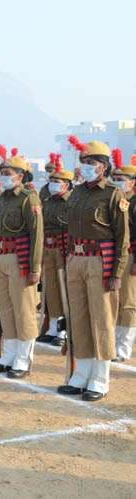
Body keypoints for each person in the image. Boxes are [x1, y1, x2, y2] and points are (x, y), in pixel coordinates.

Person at [58, 136, 129, 401]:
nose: (86, 166)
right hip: (76, 258)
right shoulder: (77, 192)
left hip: (100, 260)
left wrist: (116, 273)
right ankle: (81, 374)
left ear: (104, 166)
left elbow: (121, 238)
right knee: (79, 318)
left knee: (101, 319)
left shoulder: (113, 194)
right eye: (84, 162)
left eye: (92, 162)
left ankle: (100, 378)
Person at [0, 147, 43, 379]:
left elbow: (36, 235)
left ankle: (23, 358)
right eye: (3, 172)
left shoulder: (29, 199)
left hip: (19, 259)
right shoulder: (1, 198)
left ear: (22, 175)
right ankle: (9, 353)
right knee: (5, 308)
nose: (5, 175)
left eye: (9, 172)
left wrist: (35, 267)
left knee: (23, 309)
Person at [38, 155, 72, 346]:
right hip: (49, 248)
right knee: (50, 288)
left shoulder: (71, 202)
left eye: (57, 181)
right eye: (51, 181)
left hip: (63, 248)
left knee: (64, 289)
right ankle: (53, 327)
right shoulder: (48, 200)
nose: (53, 184)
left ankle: (64, 330)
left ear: (67, 184)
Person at [109, 151, 136, 362]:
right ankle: (114, 342)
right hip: (114, 255)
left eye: (121, 180)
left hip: (130, 256)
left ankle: (124, 347)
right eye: (115, 179)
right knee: (114, 301)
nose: (117, 183)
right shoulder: (115, 200)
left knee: (127, 303)